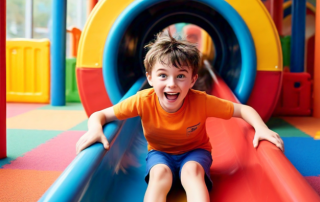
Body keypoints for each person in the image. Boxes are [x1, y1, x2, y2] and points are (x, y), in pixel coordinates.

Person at [76, 32, 284, 202]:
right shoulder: (142, 100)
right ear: (150, 78)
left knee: (192, 172)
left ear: (193, 80)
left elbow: (242, 110)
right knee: (159, 175)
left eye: (181, 76)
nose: (172, 84)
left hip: (195, 152)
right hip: (160, 153)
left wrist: (261, 129)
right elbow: (100, 115)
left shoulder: (201, 101)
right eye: (163, 75)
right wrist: (95, 130)